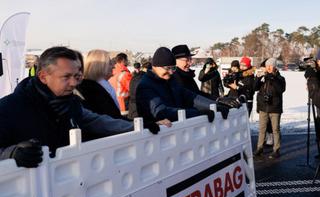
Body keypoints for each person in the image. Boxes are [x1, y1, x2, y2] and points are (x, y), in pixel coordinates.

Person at [0, 46, 136, 168]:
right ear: (43, 77)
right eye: (66, 77)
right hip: (29, 190)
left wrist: (135, 126)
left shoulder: (71, 103)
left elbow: (96, 121)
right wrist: (11, 154)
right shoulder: (10, 107)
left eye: (76, 76)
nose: (73, 83)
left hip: (65, 185)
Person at [136, 47, 241, 125]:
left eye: (173, 68)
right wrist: (197, 113)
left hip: (178, 131)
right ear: (155, 66)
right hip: (157, 139)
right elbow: (162, 112)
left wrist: (215, 105)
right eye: (167, 68)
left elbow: (192, 97)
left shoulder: (171, 81)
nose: (171, 72)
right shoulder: (146, 86)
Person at [254, 58, 286, 158]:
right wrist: (258, 78)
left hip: (275, 108)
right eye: (267, 65)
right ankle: (259, 148)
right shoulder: (264, 77)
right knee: (262, 129)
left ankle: (276, 150)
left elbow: (280, 90)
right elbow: (255, 88)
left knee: (275, 129)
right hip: (264, 107)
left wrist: (271, 77)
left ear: (275, 67)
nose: (268, 67)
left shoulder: (280, 78)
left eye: (271, 65)